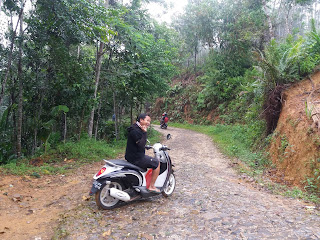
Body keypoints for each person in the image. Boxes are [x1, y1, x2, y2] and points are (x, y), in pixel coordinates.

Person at [125, 113, 161, 193]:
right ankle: (151, 186)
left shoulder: (135, 127)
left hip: (132, 155)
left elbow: (138, 143)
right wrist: (144, 133)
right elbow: (141, 144)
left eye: (149, 121)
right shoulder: (136, 130)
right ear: (141, 120)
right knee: (156, 163)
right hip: (136, 158)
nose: (148, 123)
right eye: (147, 120)